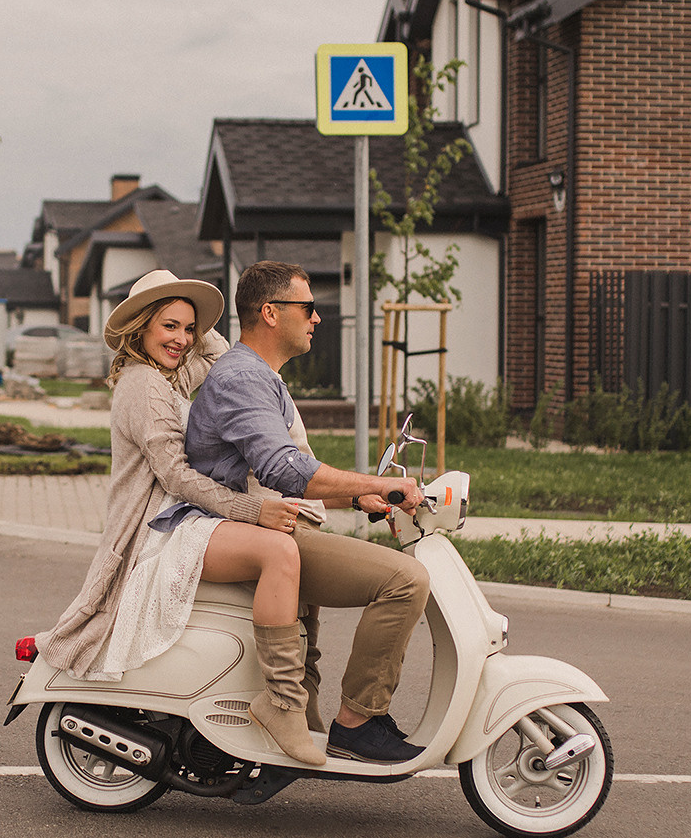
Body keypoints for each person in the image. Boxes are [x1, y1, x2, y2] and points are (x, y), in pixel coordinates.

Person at [34, 270, 326, 764]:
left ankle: (303, 701)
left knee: (299, 555)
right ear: (141, 326)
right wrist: (253, 509)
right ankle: (284, 704)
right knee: (278, 550)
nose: (183, 339)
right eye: (169, 326)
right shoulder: (144, 385)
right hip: (156, 528)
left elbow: (221, 357)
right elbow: (175, 476)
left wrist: (191, 315)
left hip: (183, 516)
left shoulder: (166, 376)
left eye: (189, 328)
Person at [185, 260, 432, 765]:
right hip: (246, 530)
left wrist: (357, 497)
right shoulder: (242, 378)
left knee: (308, 646)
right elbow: (282, 469)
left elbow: (283, 472)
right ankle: (359, 723)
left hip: (269, 523)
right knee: (405, 580)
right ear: (271, 312)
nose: (317, 317)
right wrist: (380, 483)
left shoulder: (259, 376)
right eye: (309, 307)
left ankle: (309, 726)